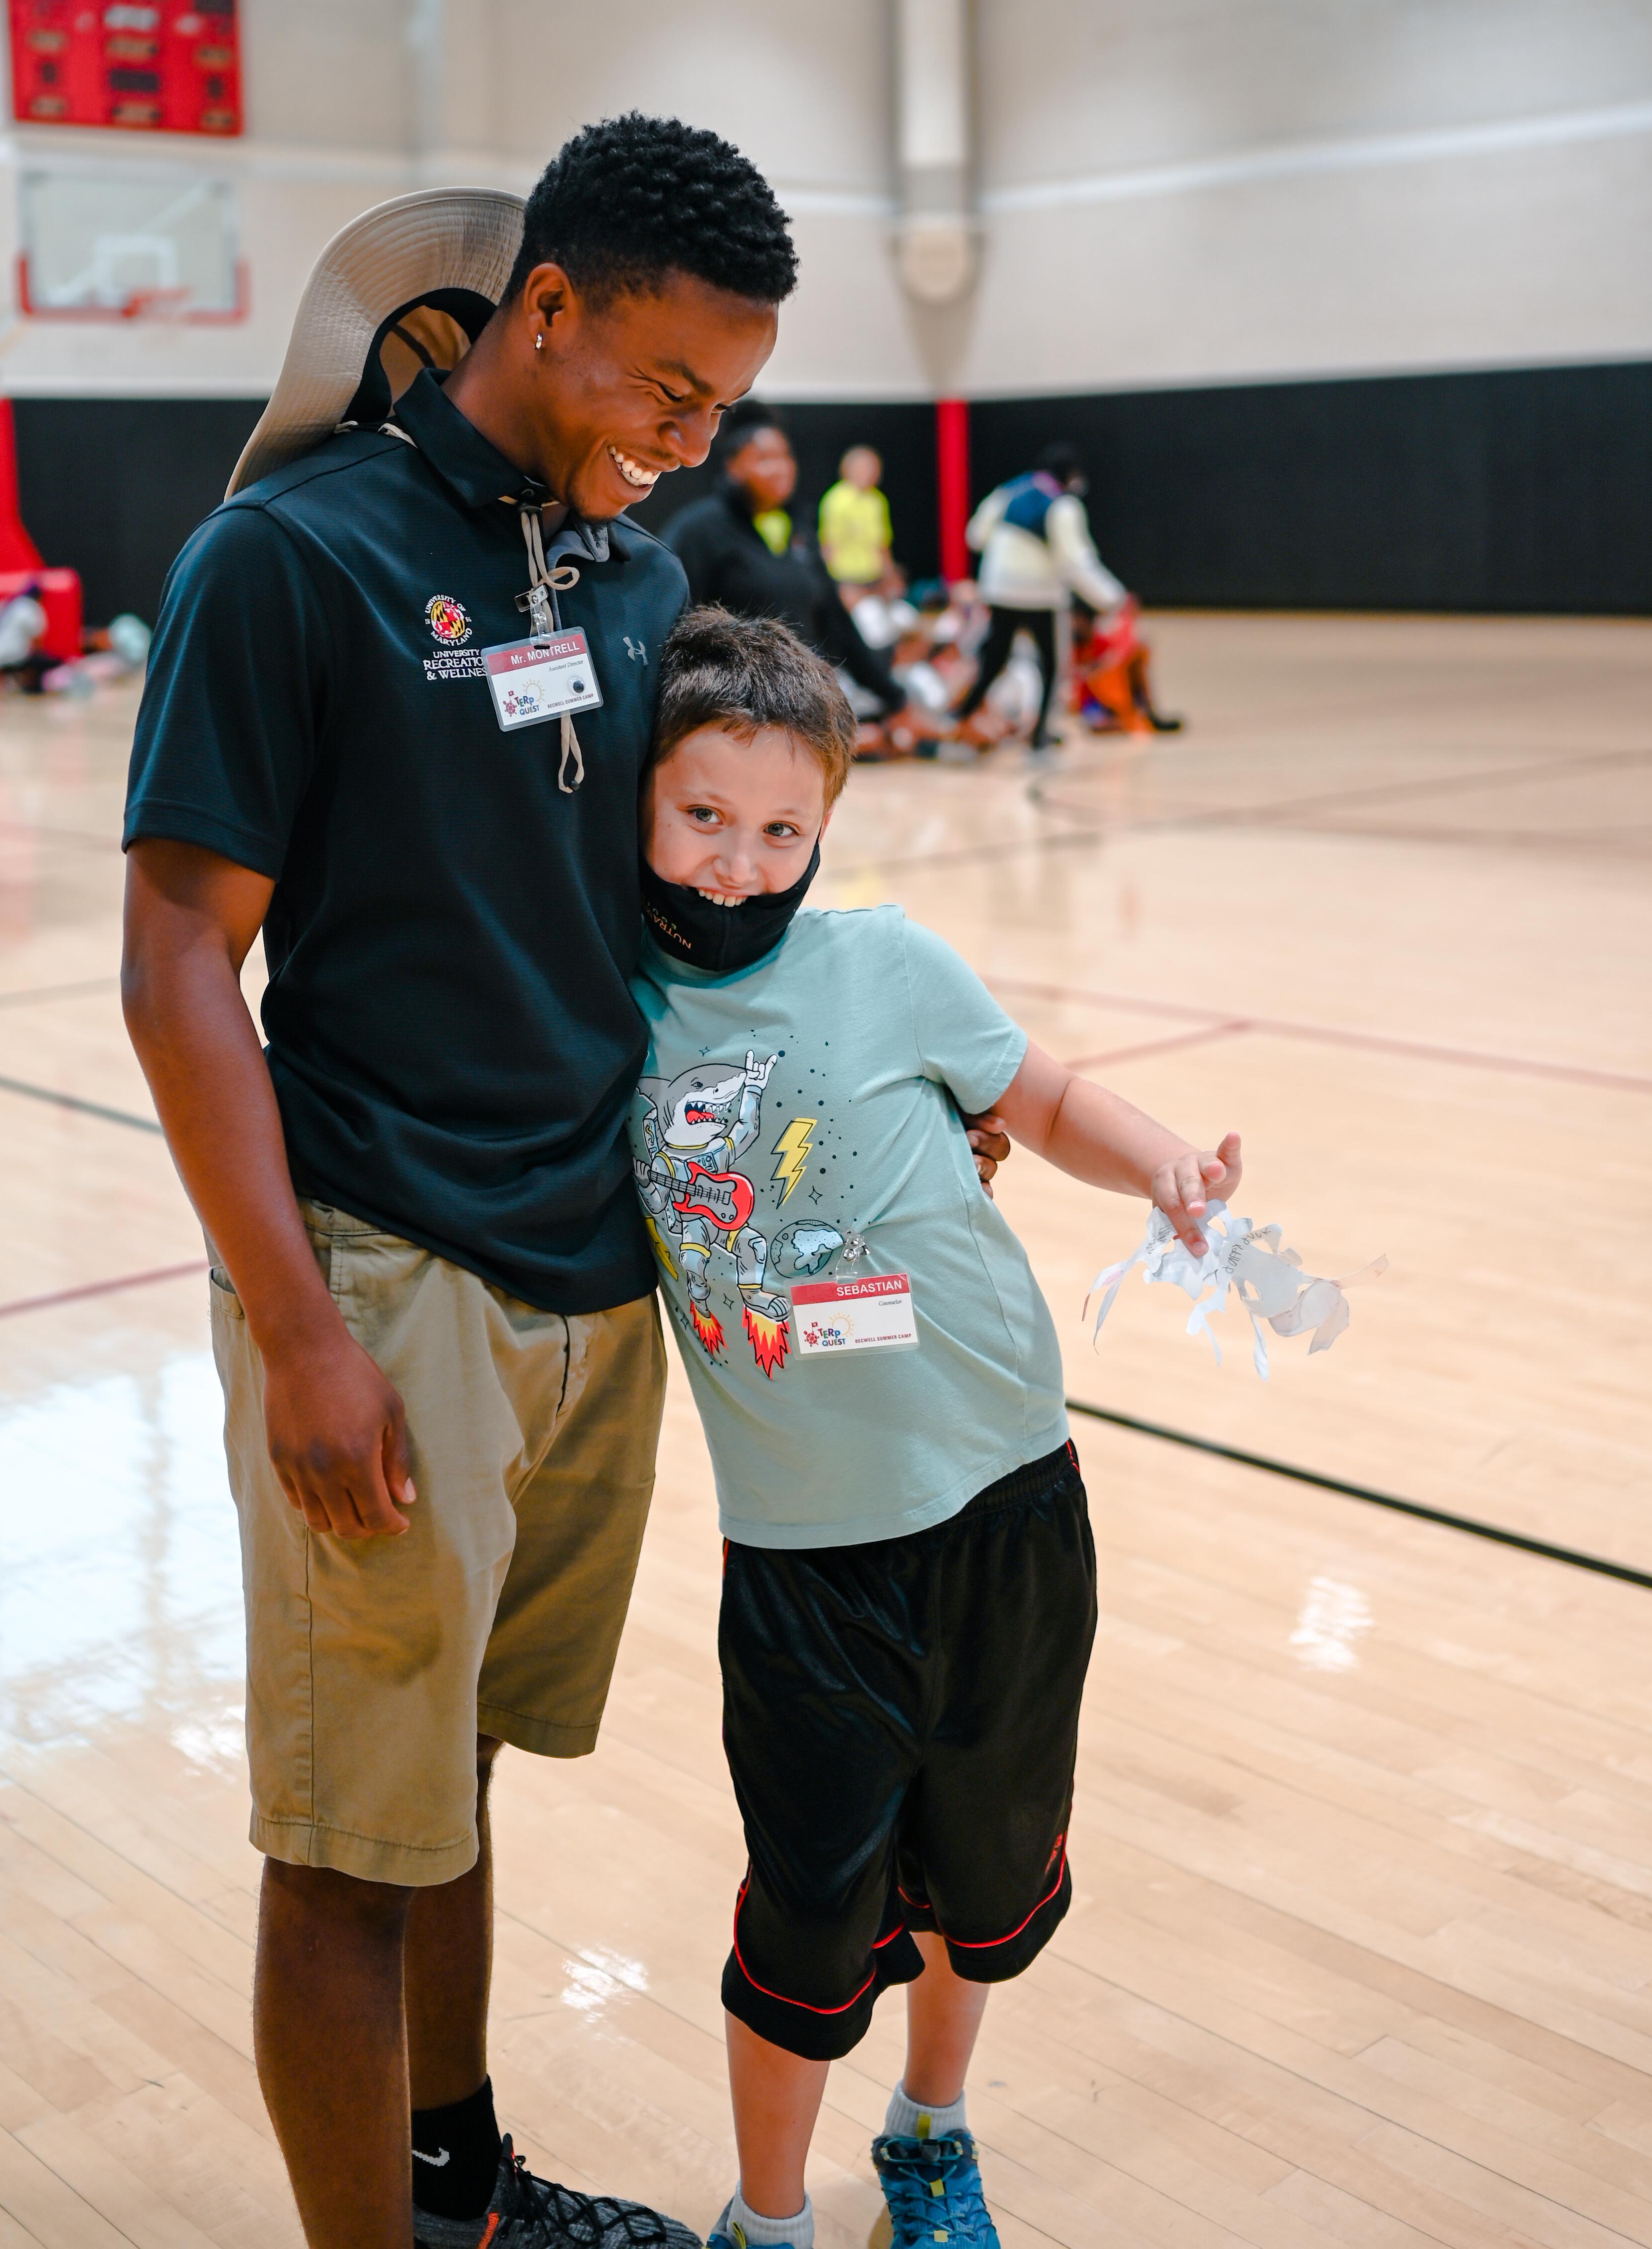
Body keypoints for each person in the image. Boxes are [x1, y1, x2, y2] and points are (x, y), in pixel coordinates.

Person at [118, 125, 1005, 2249]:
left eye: (725, 402)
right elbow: (173, 965)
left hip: (595, 1273)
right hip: (380, 1265)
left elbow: (680, 924)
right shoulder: (289, 557)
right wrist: (300, 1333)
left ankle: (457, 2189)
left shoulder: (632, 577)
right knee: (348, 1841)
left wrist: (881, 1107)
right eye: (667, 387)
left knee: (452, 1778)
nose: (692, 440)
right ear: (542, 309)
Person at [627, 609, 1242, 2249]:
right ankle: (767, 2220)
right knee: (810, 1914)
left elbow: (1043, 1099)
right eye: (703, 815)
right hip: (806, 1567)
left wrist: (1164, 1166)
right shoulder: (603, 1013)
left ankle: (929, 2133)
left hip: (1009, 1507)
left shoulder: (885, 962)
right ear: (638, 797)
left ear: (828, 822)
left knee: (985, 1871)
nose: (743, 862)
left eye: (784, 829)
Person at [666, 413, 918, 741]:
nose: (781, 468)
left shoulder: (801, 528)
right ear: (733, 467)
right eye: (765, 459)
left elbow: (836, 623)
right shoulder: (700, 530)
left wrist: (895, 699)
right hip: (733, 711)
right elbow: (675, 622)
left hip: (803, 705)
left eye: (786, 457)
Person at [960, 445, 1127, 752]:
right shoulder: (1063, 505)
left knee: (994, 659)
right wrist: (1113, 598)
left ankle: (960, 717)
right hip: (1040, 596)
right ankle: (1041, 733)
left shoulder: (1008, 492)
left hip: (998, 590)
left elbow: (975, 536)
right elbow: (1077, 562)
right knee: (1053, 665)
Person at [816, 444, 896, 597]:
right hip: (846, 579)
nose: (869, 472)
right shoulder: (836, 500)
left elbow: (882, 544)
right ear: (847, 469)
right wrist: (829, 586)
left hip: (874, 579)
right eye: (863, 467)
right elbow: (828, 545)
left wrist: (890, 576)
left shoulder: (878, 501)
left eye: (873, 468)